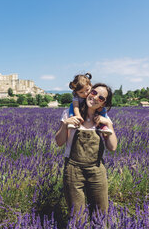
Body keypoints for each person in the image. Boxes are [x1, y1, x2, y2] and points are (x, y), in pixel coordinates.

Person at [55, 83, 118, 224]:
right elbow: (59, 142)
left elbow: (112, 147)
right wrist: (66, 124)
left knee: (100, 214)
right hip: (73, 170)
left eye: (101, 98)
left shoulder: (103, 119)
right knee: (77, 217)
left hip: (96, 170)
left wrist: (109, 125)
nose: (95, 98)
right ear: (89, 92)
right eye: (94, 92)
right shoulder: (69, 114)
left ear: (104, 103)